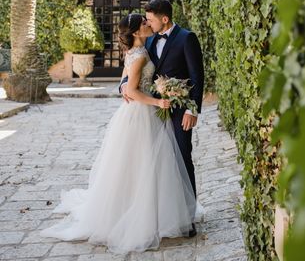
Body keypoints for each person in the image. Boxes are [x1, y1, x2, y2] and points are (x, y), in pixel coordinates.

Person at [41, 13, 197, 253]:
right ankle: (137, 216)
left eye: (149, 21)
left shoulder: (141, 49)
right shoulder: (140, 54)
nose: (148, 25)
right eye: (144, 23)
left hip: (142, 113)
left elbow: (125, 82)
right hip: (141, 113)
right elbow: (132, 89)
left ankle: (152, 212)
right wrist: (158, 103)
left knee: (146, 166)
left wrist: (130, 87)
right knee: (141, 164)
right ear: (136, 32)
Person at [121, 0, 205, 235]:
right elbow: (131, 70)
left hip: (179, 110)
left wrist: (192, 109)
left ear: (164, 19)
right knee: (158, 164)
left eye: (150, 19)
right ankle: (162, 214)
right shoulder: (147, 40)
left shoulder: (187, 38)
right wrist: (123, 87)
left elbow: (197, 77)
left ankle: (187, 216)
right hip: (152, 112)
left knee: (182, 157)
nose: (147, 23)